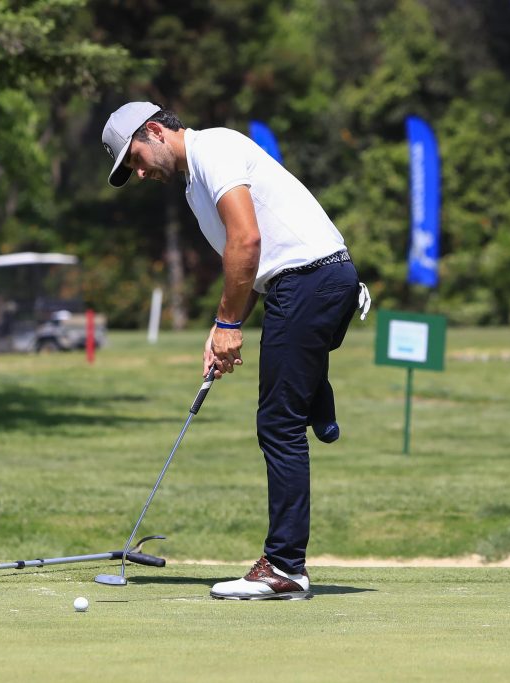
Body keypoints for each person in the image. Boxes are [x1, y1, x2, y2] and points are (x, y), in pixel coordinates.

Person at [102, 102, 369, 600]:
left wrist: (229, 325)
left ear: (154, 131)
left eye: (135, 158)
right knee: (287, 407)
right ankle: (318, 402)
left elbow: (246, 242)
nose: (138, 173)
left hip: (308, 282)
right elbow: (245, 268)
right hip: (309, 284)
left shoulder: (214, 149)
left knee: (278, 424)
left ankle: (284, 567)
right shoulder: (194, 183)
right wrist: (221, 325)